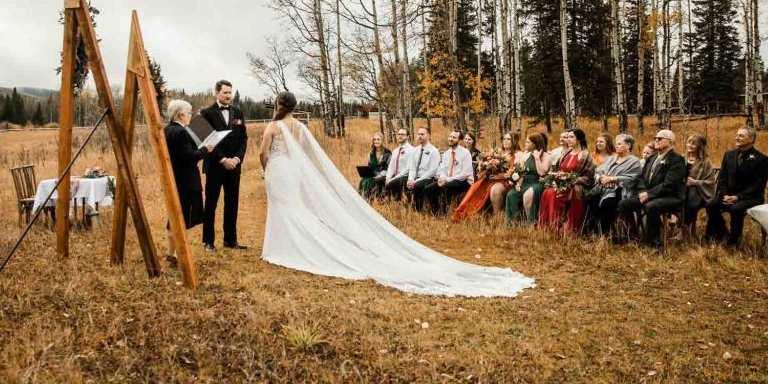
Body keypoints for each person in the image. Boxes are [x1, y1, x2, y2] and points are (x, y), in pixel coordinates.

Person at [258, 91, 535, 297]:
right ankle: (290, 244)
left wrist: (266, 168)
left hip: (278, 169)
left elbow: (262, 152)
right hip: (293, 170)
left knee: (283, 208)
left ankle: (285, 247)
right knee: (292, 206)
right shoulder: (300, 127)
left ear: (279, 105)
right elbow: (306, 153)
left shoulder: (273, 126)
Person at [162, 100, 216, 268]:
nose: (191, 116)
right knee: (183, 220)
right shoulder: (182, 132)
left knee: (172, 219)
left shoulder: (166, 130)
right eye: (190, 113)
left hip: (173, 180)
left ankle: (170, 254)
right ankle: (179, 256)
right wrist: (205, 149)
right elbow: (189, 157)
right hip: (186, 182)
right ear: (181, 115)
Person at [200, 80, 248, 252]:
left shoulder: (238, 112)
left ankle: (230, 240)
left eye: (230, 92)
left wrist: (237, 158)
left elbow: (243, 139)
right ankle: (208, 241)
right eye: (225, 92)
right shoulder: (206, 113)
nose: (228, 96)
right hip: (215, 165)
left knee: (232, 202)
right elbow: (206, 140)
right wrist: (222, 160)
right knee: (211, 203)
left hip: (234, 166)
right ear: (216, 93)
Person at [618, 129, 687, 247]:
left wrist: (649, 194)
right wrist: (643, 192)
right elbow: (640, 178)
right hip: (649, 194)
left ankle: (653, 242)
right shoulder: (651, 158)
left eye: (660, 138)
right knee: (624, 204)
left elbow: (669, 184)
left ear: (670, 143)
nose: (656, 140)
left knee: (652, 206)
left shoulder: (677, 160)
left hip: (670, 196)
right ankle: (632, 238)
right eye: (655, 138)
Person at [705, 126, 768, 249]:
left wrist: (737, 197)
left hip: (750, 197)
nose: (737, 137)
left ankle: (733, 242)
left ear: (751, 139)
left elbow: (758, 185)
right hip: (728, 195)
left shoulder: (761, 159)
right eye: (737, 135)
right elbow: (722, 179)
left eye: (741, 135)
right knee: (711, 205)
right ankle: (723, 234)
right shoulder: (729, 155)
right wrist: (725, 195)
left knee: (736, 209)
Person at [537, 128, 596, 235]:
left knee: (556, 193)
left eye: (571, 137)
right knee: (547, 192)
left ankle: (563, 229)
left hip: (578, 185)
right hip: (562, 183)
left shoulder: (585, 154)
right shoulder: (566, 153)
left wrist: (570, 180)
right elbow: (557, 170)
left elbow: (589, 177)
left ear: (578, 139)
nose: (568, 139)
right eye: (567, 137)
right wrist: (555, 179)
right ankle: (549, 227)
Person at [583, 133, 642, 237]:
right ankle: (596, 230)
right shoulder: (611, 158)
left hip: (620, 191)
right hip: (602, 188)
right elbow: (598, 171)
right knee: (589, 199)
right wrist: (600, 178)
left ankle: (605, 233)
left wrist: (613, 179)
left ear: (628, 145)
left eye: (619, 144)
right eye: (616, 144)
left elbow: (632, 179)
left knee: (608, 203)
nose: (616, 146)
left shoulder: (634, 161)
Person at [452, 132, 518, 222]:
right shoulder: (497, 151)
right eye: (504, 139)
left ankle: (497, 217)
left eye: (508, 139)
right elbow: (484, 162)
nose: (505, 141)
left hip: (505, 181)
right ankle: (467, 213)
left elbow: (514, 172)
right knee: (476, 187)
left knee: (495, 190)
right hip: (490, 178)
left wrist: (501, 176)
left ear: (514, 141)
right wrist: (485, 168)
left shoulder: (517, 154)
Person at [504, 133, 551, 225]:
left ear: (535, 143)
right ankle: (512, 222)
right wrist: (517, 183)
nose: (525, 144)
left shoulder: (546, 156)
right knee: (511, 194)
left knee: (528, 195)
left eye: (528, 142)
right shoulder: (526, 155)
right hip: (524, 182)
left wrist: (537, 158)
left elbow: (542, 173)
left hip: (538, 183)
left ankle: (531, 222)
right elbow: (520, 172)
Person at [424, 130, 474, 214]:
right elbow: (442, 169)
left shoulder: (465, 153)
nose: (451, 139)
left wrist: (447, 180)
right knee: (429, 189)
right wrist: (442, 177)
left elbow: (465, 174)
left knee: (446, 187)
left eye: (454, 137)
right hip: (448, 180)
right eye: (450, 136)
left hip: (464, 181)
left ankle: (443, 213)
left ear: (460, 140)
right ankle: (436, 213)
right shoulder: (446, 153)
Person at [683, 134, 715, 232]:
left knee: (690, 201)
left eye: (693, 143)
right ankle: (679, 224)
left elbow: (711, 181)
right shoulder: (682, 159)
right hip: (683, 190)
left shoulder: (705, 162)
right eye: (689, 142)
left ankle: (684, 229)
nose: (690, 145)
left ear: (700, 146)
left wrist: (696, 182)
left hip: (699, 193)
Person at [405, 127, 441, 212]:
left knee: (417, 186)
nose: (420, 136)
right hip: (416, 177)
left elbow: (432, 171)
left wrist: (416, 181)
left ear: (428, 136)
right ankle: (409, 207)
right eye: (418, 134)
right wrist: (410, 179)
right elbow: (412, 168)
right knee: (404, 183)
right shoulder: (415, 150)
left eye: (422, 134)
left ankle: (418, 210)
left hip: (428, 178)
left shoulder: (433, 151)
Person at [382, 128, 413, 201]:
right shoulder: (395, 151)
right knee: (378, 181)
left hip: (405, 176)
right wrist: (388, 177)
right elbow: (391, 166)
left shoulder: (412, 150)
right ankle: (381, 200)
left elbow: (408, 168)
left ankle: (398, 201)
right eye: (399, 134)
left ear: (408, 137)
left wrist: (394, 178)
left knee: (393, 182)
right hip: (395, 176)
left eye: (402, 134)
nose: (400, 136)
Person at [358, 133, 391, 200]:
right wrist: (367, 172)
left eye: (378, 139)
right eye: (374, 139)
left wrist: (380, 175)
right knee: (363, 180)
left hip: (382, 174)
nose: (376, 141)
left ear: (382, 141)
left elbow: (389, 168)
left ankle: (369, 199)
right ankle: (362, 200)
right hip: (372, 174)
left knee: (369, 181)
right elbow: (369, 166)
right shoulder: (371, 153)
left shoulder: (387, 153)